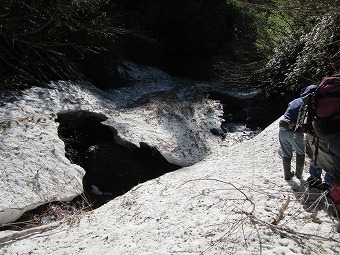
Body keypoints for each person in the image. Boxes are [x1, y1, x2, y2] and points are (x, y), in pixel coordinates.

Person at [278, 85, 317, 180]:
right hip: (294, 132)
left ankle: (287, 174)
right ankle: (299, 175)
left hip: (282, 129)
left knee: (286, 153)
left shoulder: (294, 101)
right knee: (300, 153)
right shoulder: (309, 103)